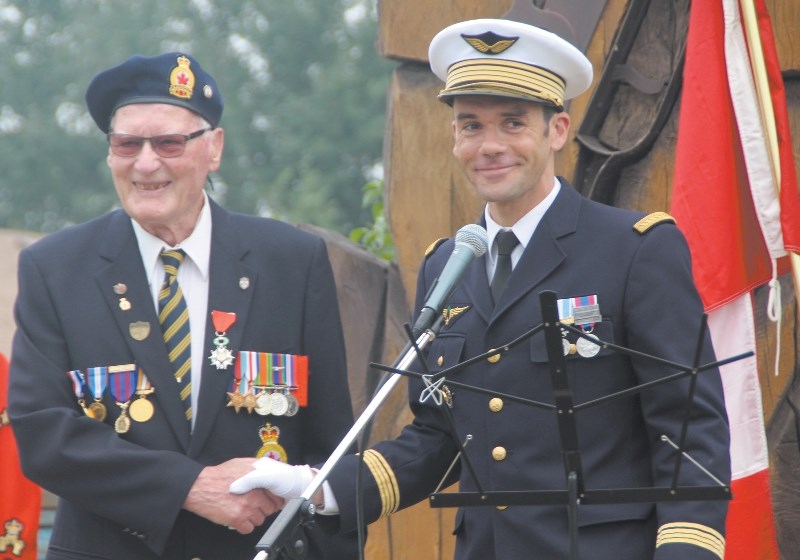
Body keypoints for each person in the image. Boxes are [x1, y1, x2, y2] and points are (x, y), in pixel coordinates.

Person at [230, 18, 732, 560]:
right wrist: (318, 486)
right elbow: (439, 440)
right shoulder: (448, 267)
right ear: (453, 137)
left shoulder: (633, 251)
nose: (489, 146)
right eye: (471, 126)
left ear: (556, 130)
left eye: (513, 123)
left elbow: (688, 431)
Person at [8, 52, 358, 560]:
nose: (146, 163)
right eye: (127, 143)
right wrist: (190, 487)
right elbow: (43, 434)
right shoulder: (57, 269)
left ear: (213, 148)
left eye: (169, 142)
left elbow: (331, 448)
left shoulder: (291, 263)